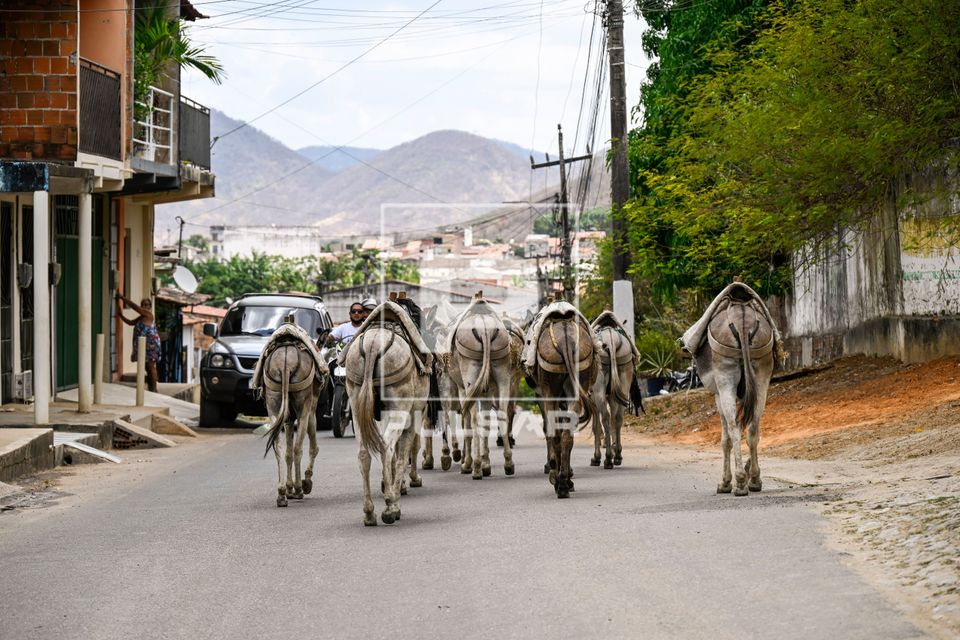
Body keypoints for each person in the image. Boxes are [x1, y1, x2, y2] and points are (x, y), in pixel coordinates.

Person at [116, 293, 161, 393]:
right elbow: (130, 322)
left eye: (146, 305)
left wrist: (123, 298)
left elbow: (135, 307)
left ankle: (154, 389)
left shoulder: (149, 315)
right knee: (146, 367)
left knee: (151, 366)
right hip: (143, 345)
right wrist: (120, 315)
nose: (144, 306)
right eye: (142, 305)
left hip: (151, 345)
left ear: (150, 307)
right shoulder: (141, 317)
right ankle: (151, 388)